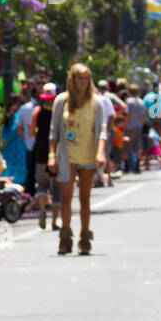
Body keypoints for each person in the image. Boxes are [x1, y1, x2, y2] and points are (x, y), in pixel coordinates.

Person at [48, 64, 108, 256]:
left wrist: (100, 153)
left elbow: (102, 130)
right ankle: (65, 236)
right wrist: (51, 155)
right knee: (66, 198)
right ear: (72, 80)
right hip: (67, 155)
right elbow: (54, 130)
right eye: (79, 78)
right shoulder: (61, 101)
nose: (82, 82)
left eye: (86, 78)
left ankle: (84, 236)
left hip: (88, 154)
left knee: (85, 198)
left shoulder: (96, 101)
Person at [29, 83, 60, 229]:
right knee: (56, 188)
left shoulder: (37, 110)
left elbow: (31, 131)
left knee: (42, 185)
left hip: (40, 152)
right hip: (57, 152)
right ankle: (54, 221)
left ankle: (42, 210)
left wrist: (38, 134)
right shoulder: (60, 111)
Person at [122, 84, 146, 173]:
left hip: (129, 126)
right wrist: (141, 123)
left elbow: (128, 114)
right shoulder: (141, 102)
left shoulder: (128, 101)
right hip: (138, 126)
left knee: (126, 146)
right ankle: (137, 166)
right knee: (138, 146)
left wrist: (124, 125)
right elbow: (143, 114)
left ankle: (127, 166)